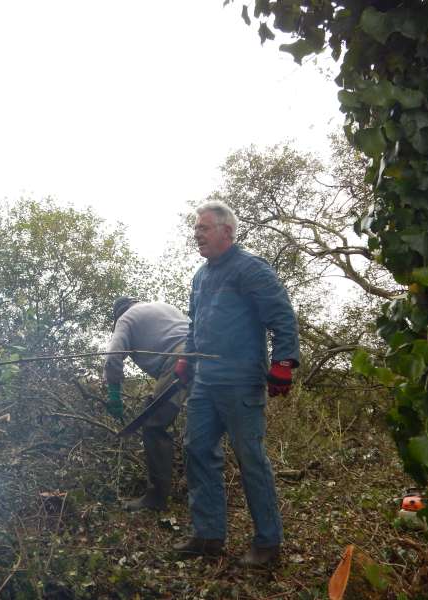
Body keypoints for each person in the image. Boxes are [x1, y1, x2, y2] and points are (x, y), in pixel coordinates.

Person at [172, 200, 299, 567]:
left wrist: (284, 363)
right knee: (197, 449)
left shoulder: (251, 268)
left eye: (204, 228)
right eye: (196, 228)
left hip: (241, 381)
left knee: (250, 459)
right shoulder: (200, 276)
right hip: (205, 382)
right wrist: (187, 357)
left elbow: (282, 318)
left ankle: (268, 543)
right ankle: (208, 535)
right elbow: (195, 325)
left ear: (226, 231)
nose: (197, 234)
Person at [104, 297, 190, 511]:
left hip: (179, 358)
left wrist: (114, 395)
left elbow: (113, 357)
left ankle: (156, 499)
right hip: (205, 354)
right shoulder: (164, 307)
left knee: (153, 423)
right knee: (202, 426)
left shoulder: (126, 319)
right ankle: (196, 489)